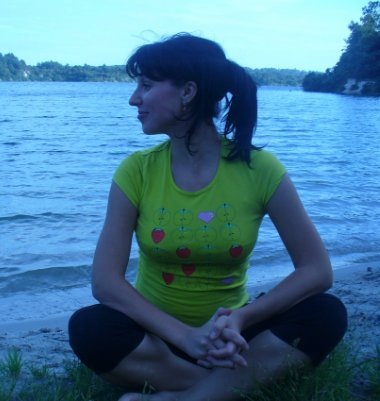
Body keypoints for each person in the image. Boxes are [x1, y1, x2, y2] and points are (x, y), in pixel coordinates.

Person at [67, 33, 347, 401]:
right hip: (159, 337)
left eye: (146, 85)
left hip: (232, 333)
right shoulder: (136, 171)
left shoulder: (259, 169)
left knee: (326, 313)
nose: (134, 99)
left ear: (187, 92)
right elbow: (105, 282)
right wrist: (186, 337)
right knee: (89, 327)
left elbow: (317, 270)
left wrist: (242, 318)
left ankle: (187, 396)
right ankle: (232, 386)